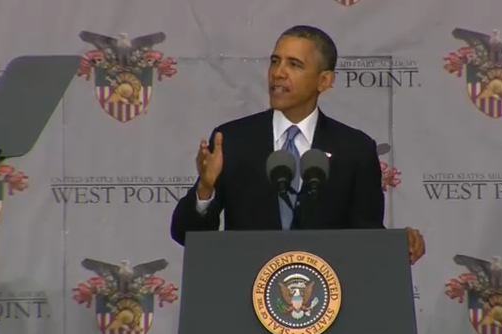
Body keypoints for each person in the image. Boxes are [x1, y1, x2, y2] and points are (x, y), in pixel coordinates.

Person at [170, 25, 425, 264]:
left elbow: (366, 238)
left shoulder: (354, 149)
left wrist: (398, 243)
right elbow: (187, 235)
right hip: (246, 295)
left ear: (324, 81)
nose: (278, 73)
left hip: (327, 300)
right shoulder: (232, 140)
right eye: (275, 61)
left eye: (294, 64)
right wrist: (205, 188)